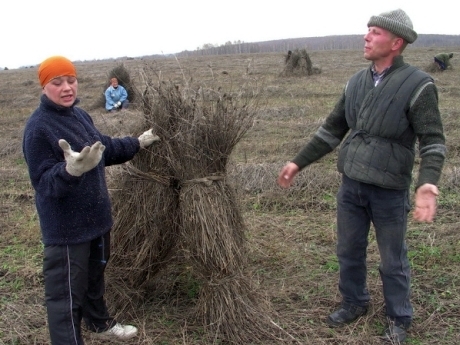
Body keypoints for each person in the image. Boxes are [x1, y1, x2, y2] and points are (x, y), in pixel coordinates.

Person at [277, 9, 445, 343]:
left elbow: (433, 140)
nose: (366, 37)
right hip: (351, 184)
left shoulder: (418, 84)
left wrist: (427, 181)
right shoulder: (356, 81)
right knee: (348, 250)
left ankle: (399, 317)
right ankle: (354, 301)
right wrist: (298, 162)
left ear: (397, 42)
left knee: (392, 259)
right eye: (367, 30)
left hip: (388, 189)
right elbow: (331, 130)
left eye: (376, 32)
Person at [22, 56, 160, 345]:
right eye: (57, 83)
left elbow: (104, 148)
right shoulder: (38, 128)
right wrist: (69, 170)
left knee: (94, 280)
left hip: (97, 220)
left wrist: (136, 143)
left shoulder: (79, 115)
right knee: (65, 297)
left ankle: (99, 323)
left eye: (70, 80)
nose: (66, 88)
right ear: (45, 86)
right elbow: (43, 181)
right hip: (67, 229)